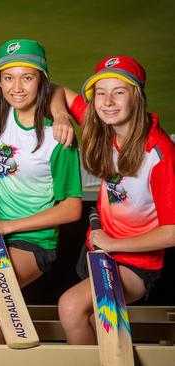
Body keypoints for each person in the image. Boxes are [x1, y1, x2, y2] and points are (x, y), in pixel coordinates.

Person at [0, 39, 83, 345]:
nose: (17, 87)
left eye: (27, 77)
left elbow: (72, 209)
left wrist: (7, 226)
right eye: (8, 77)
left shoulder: (58, 136)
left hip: (31, 239)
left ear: (42, 80)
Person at [57, 56, 175, 344]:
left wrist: (114, 244)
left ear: (137, 97)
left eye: (119, 92)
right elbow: (55, 88)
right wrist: (61, 116)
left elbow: (172, 232)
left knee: (72, 308)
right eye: (101, 93)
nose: (108, 101)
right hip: (99, 251)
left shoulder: (160, 154)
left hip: (135, 262)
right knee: (91, 321)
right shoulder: (103, 127)